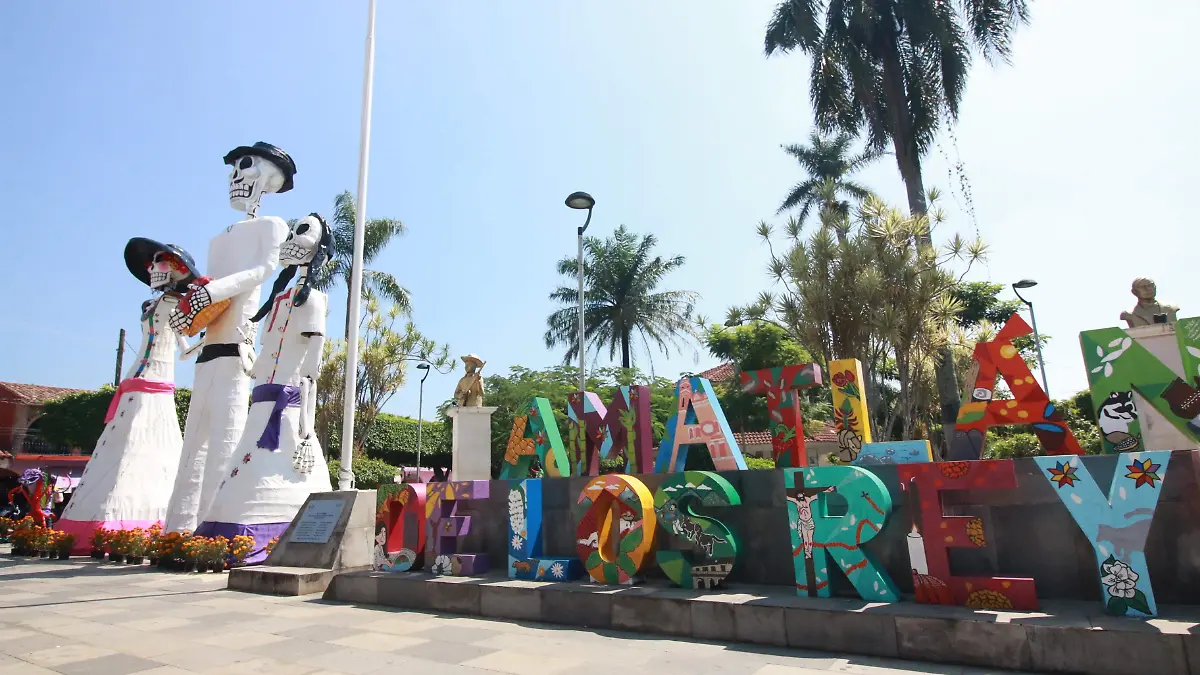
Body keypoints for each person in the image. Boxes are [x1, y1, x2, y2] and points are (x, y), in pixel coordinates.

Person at [164, 143, 296, 532]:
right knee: (192, 447)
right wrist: (187, 319)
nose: (235, 176)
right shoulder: (218, 238)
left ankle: (215, 528)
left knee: (225, 442)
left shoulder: (272, 225)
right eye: (234, 168)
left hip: (237, 350)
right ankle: (178, 530)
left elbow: (263, 270)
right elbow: (207, 293)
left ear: (269, 177)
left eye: (245, 166)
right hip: (207, 352)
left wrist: (213, 291)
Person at [194, 214, 332, 564]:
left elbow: (313, 360)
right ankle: (223, 536)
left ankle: (260, 534)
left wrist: (306, 416)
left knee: (273, 468)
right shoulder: (280, 299)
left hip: (287, 401)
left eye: (303, 232)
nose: (292, 239)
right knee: (244, 465)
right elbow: (268, 350)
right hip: (262, 397)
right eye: (292, 231)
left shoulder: (313, 299)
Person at [56, 240, 195, 552]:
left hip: (157, 377)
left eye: (161, 262)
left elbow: (184, 348)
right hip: (136, 378)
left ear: (178, 271)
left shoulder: (177, 305)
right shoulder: (150, 306)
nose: (153, 268)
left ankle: (135, 522)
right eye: (152, 263)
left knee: (147, 442)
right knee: (118, 443)